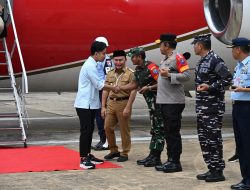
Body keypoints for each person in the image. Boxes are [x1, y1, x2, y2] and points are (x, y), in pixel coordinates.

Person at [192, 34, 232, 182]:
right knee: (204, 139)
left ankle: (218, 170)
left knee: (213, 139)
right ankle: (211, 168)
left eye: (195, 44)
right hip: (202, 107)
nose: (194, 47)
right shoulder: (202, 60)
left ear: (200, 45)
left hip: (213, 107)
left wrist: (210, 87)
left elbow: (227, 78)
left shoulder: (215, 60)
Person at [117, 47, 165, 167]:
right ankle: (152, 155)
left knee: (159, 129)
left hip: (159, 103)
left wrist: (149, 88)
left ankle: (157, 157)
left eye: (133, 57)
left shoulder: (151, 67)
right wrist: (119, 88)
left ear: (139, 57)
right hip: (152, 105)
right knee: (154, 129)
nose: (131, 59)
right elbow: (134, 84)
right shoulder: (139, 69)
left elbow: (163, 83)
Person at [74, 41, 116, 169]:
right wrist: (115, 87)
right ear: (96, 53)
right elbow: (99, 85)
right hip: (84, 104)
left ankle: (88, 154)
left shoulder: (95, 64)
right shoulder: (90, 66)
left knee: (90, 130)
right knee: (85, 131)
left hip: (90, 104)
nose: (105, 56)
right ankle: (83, 159)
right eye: (103, 53)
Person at [154, 33, 190, 173]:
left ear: (166, 45)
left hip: (173, 102)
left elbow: (186, 76)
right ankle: (170, 160)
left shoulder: (178, 58)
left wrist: (169, 75)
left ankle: (175, 162)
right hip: (165, 101)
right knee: (168, 132)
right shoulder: (166, 59)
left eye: (160, 44)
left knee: (173, 132)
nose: (159, 47)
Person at [101, 50, 137, 162]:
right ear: (113, 60)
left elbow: (133, 91)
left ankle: (125, 152)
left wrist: (128, 107)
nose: (118, 62)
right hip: (111, 103)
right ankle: (113, 150)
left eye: (120, 60)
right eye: (116, 60)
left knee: (124, 129)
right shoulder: (110, 73)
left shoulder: (131, 73)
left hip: (123, 103)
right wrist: (103, 106)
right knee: (107, 127)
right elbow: (105, 90)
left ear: (125, 60)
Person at [228, 37, 250, 190]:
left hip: (247, 107)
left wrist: (244, 90)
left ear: (238, 49)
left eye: (233, 48)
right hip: (238, 107)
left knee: (248, 144)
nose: (232, 51)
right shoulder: (239, 66)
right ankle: (245, 178)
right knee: (241, 145)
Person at [92, 36, 113, 151]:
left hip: (103, 89)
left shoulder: (107, 60)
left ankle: (106, 141)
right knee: (98, 115)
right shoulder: (95, 58)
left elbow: (108, 77)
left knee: (102, 115)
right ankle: (102, 139)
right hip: (97, 89)